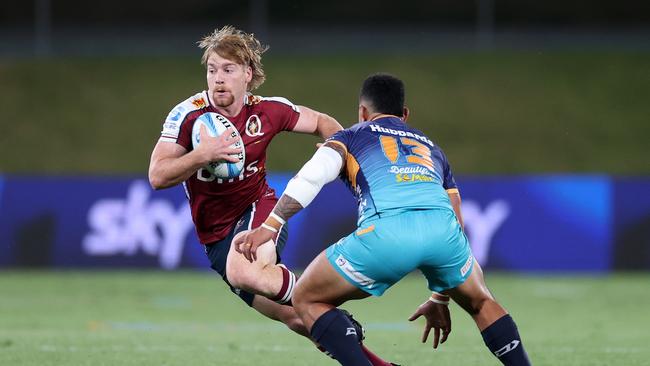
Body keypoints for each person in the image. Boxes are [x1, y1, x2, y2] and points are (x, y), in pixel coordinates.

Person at [235, 73, 532, 365]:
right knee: (481, 302)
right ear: (404, 114)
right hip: (445, 233)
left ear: (362, 112)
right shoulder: (430, 148)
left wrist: (270, 226)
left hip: (389, 233)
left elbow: (312, 177)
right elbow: (455, 211)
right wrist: (441, 295)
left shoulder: (351, 135)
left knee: (306, 298)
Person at [148, 26, 393, 365]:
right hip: (215, 237)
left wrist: (338, 150)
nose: (218, 78)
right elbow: (157, 176)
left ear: (247, 74)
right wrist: (202, 154)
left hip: (258, 210)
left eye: (228, 69)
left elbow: (322, 120)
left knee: (244, 273)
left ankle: (316, 293)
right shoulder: (188, 115)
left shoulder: (268, 111)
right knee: (296, 318)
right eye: (212, 69)